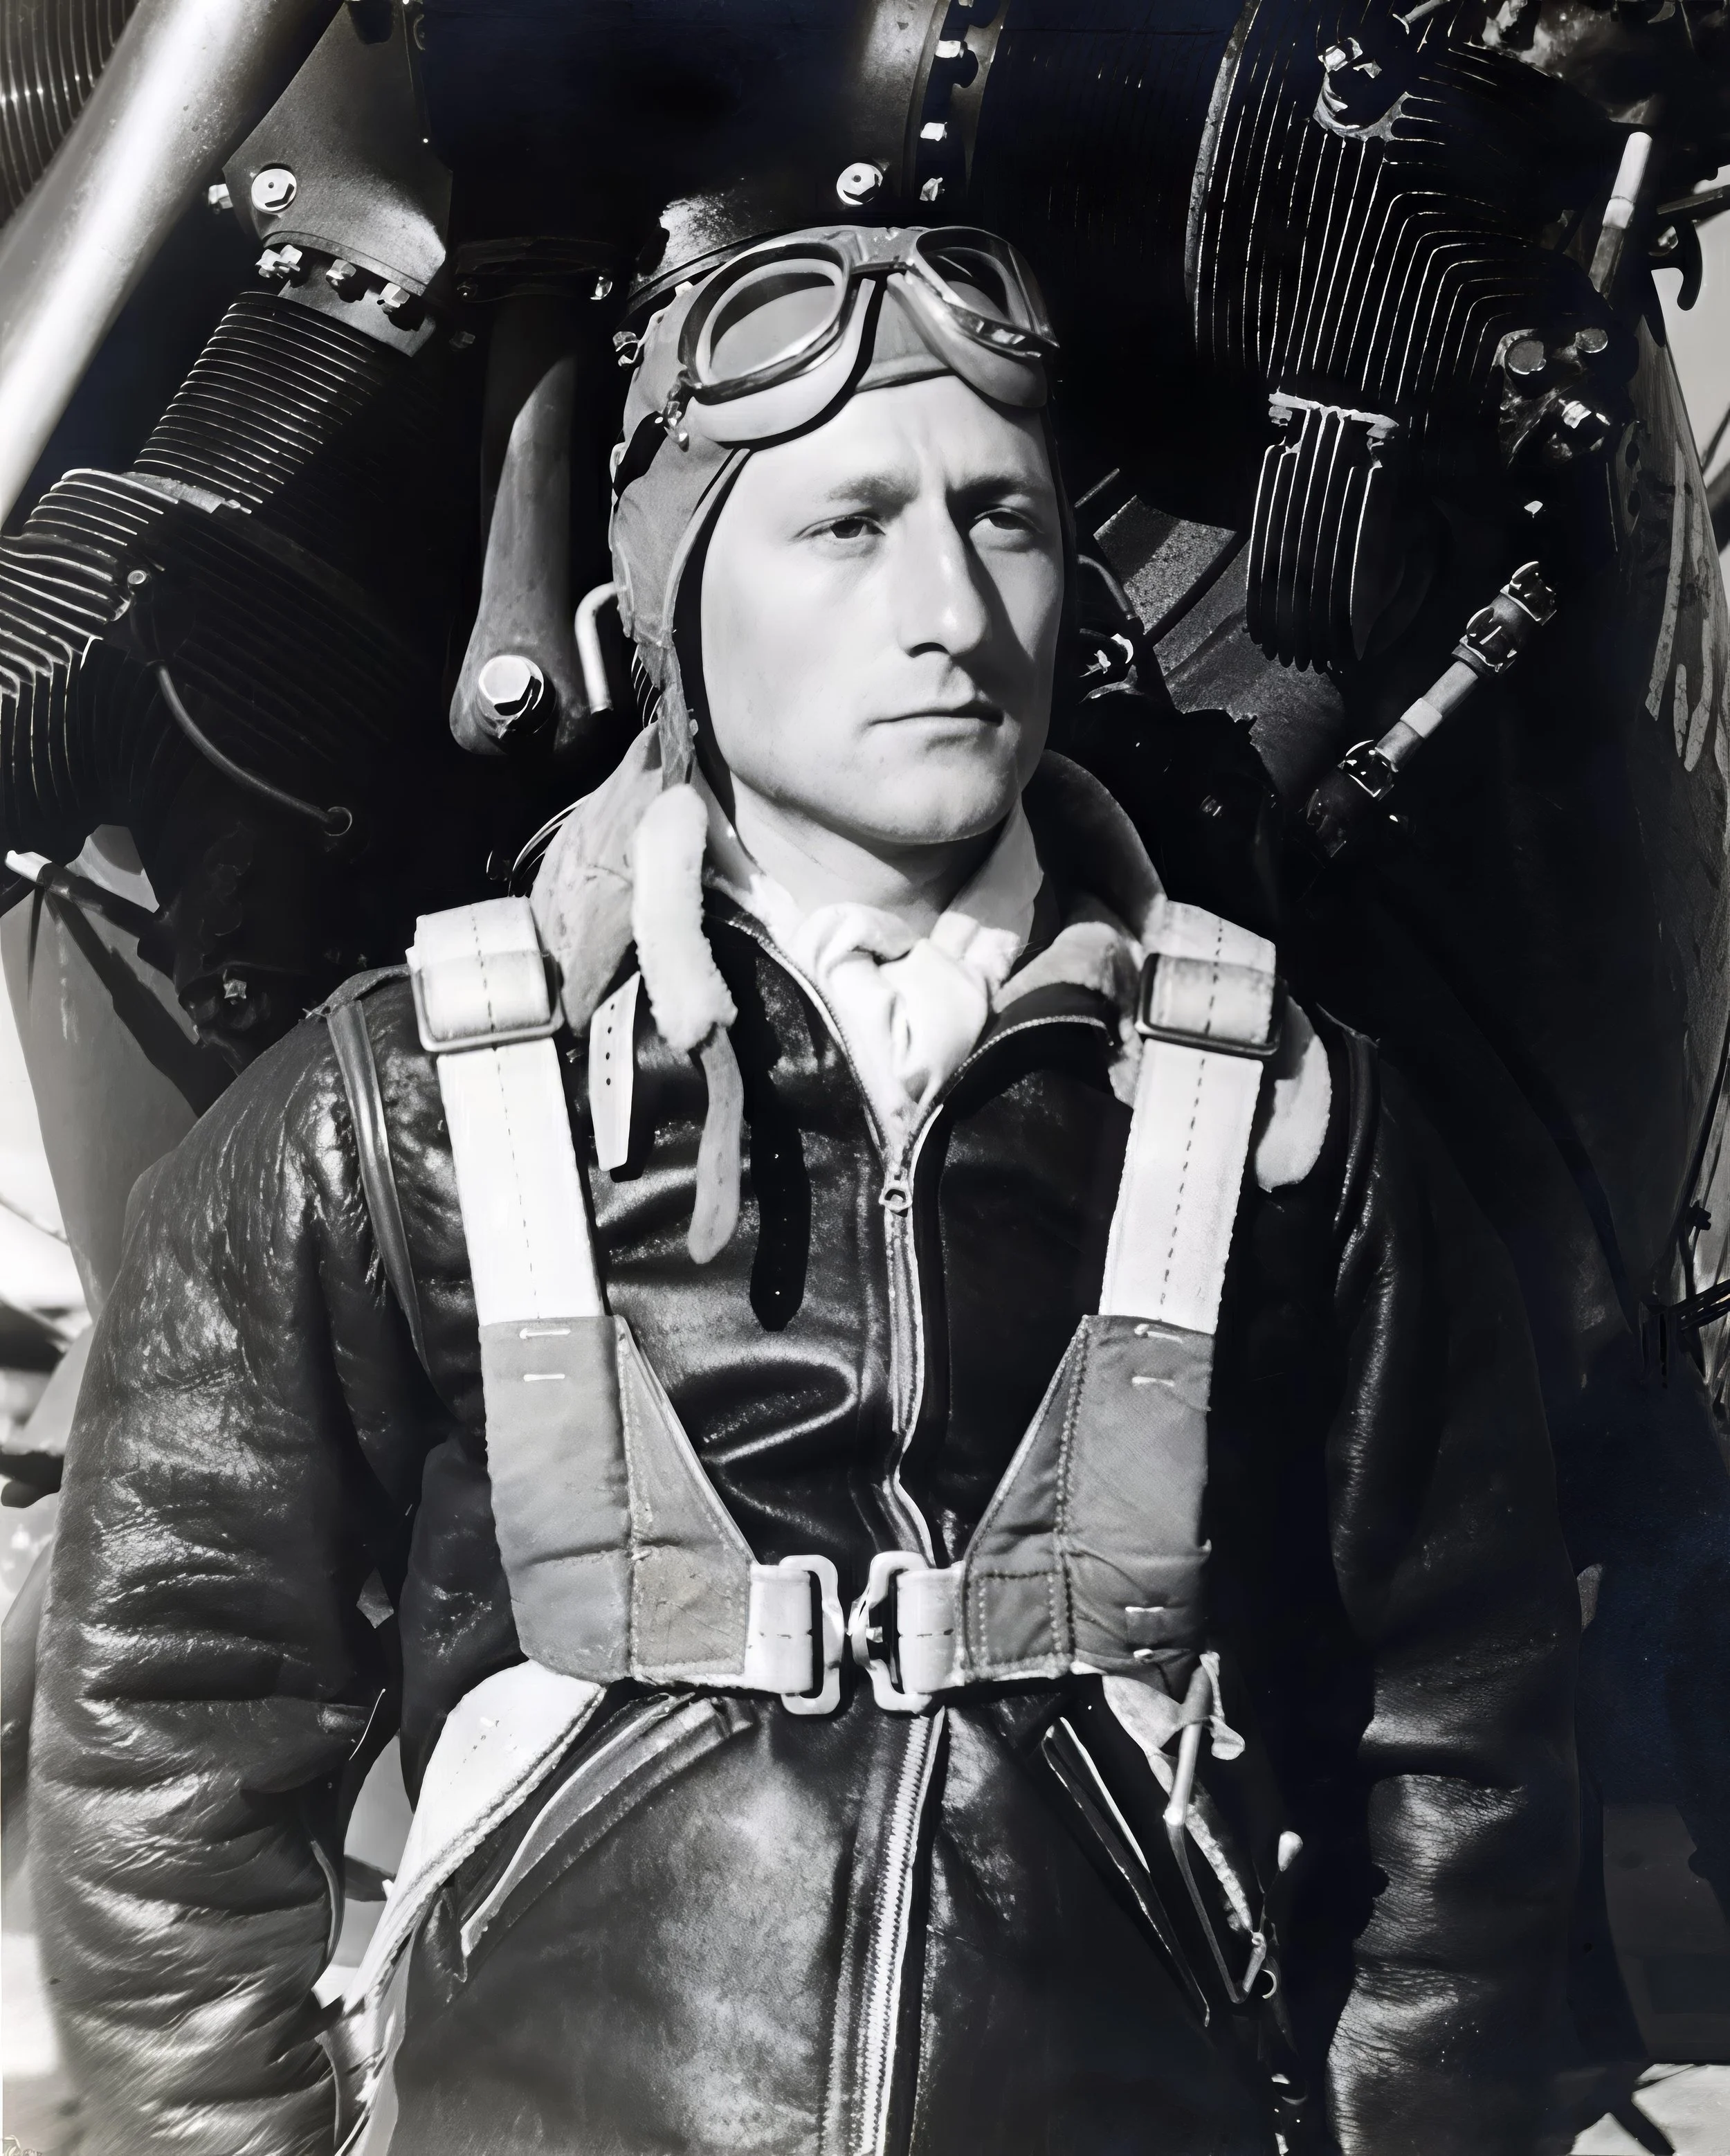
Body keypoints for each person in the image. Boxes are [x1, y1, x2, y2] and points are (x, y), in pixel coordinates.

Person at [34, 224, 1578, 2156]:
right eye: (844, 528)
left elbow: (1459, 1746)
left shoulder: (1275, 1121)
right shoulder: (409, 1108)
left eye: (1001, 520)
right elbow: (174, 1720)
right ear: (673, 605)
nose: (949, 606)